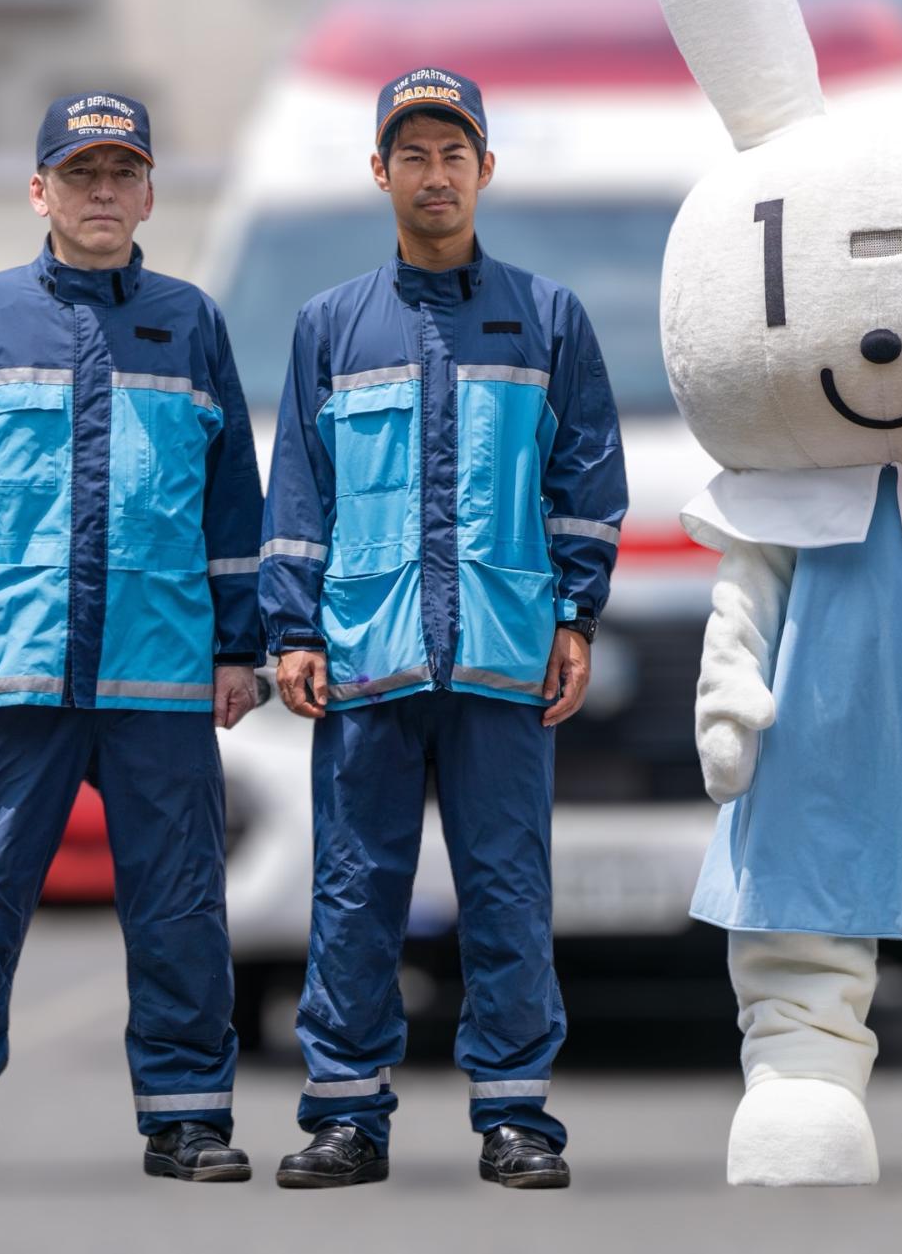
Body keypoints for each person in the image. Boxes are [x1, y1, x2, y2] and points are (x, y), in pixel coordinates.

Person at [0, 93, 265, 1186]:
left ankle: (187, 1115)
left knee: (181, 903)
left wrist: (239, 645)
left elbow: (230, 504)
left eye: (121, 174)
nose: (103, 193)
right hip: (12, 668)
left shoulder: (190, 321)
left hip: (160, 670)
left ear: (148, 194)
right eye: (80, 173)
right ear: (40, 189)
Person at [260, 67, 626, 1190]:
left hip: (505, 654)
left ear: (484, 170)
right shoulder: (330, 325)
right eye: (411, 154)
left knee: (507, 884)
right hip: (367, 656)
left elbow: (584, 477)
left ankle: (515, 1114)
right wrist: (291, 630)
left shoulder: (546, 314)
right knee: (353, 886)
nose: (433, 173)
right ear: (380, 172)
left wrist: (576, 611)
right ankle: (345, 1116)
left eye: (452, 153)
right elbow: (300, 495)